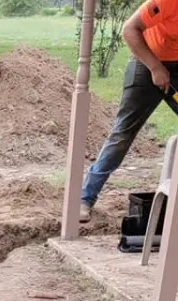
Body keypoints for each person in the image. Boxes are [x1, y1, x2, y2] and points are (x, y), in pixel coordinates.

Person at [80, 0, 178, 222]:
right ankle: (85, 198)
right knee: (122, 133)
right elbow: (129, 29)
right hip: (147, 63)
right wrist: (155, 67)